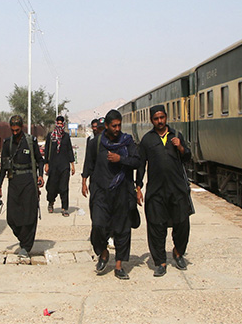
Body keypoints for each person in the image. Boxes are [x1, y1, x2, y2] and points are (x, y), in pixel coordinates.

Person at [81, 109, 140, 280]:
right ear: (106, 126)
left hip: (122, 192)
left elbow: (137, 161)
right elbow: (89, 163)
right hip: (100, 192)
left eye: (119, 125)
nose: (117, 128)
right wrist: (84, 180)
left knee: (123, 230)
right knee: (98, 226)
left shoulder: (127, 142)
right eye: (114, 126)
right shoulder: (96, 143)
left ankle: (119, 265)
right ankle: (104, 253)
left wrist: (120, 159)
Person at [136, 105, 193, 277]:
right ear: (152, 120)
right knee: (156, 226)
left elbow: (188, 157)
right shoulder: (147, 140)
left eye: (162, 117)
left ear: (166, 117)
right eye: (156, 118)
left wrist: (181, 147)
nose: (160, 121)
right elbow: (140, 165)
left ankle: (178, 252)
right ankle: (160, 262)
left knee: (182, 223)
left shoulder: (176, 136)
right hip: (156, 190)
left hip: (177, 189)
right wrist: (138, 187)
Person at [0, 115, 44, 257]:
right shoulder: (8, 143)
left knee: (29, 215)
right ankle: (23, 239)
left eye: (17, 130)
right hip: (14, 181)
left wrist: (40, 175)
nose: (15, 133)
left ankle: (26, 247)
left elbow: (40, 160)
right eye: (12, 130)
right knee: (12, 217)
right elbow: (4, 166)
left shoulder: (30, 141)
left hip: (29, 181)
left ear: (21, 127)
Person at [44, 116, 75, 216]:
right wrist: (46, 164)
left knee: (64, 187)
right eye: (58, 123)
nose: (60, 125)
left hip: (64, 166)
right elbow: (46, 151)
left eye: (61, 123)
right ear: (55, 123)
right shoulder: (50, 136)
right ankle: (51, 202)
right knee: (52, 187)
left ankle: (64, 207)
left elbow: (69, 150)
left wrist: (72, 164)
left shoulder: (66, 136)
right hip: (53, 166)